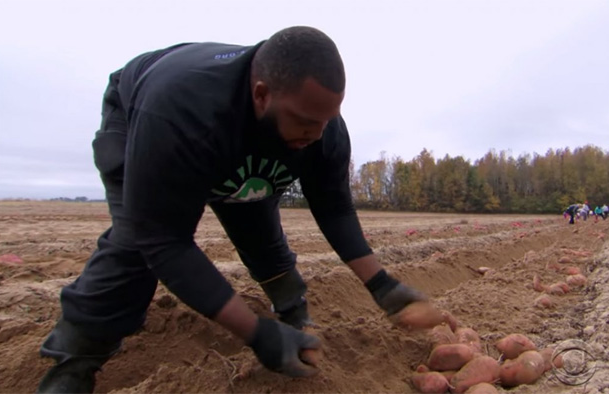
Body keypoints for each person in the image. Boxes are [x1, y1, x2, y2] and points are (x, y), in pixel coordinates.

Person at [36, 26, 438, 393]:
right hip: (139, 117)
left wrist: (383, 287)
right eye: (304, 123)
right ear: (262, 94)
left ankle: (294, 312)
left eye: (325, 121)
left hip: (234, 135)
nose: (315, 136)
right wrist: (256, 333)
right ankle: (74, 362)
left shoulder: (320, 126)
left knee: (256, 210)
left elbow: (333, 208)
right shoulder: (181, 110)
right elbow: (165, 241)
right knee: (134, 245)